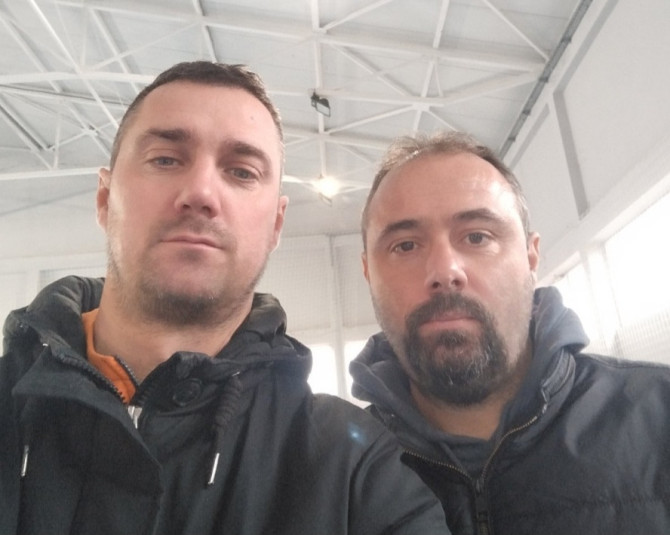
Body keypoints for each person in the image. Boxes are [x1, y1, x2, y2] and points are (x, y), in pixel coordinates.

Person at [0, 61, 449, 535]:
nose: (200, 193)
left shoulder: (356, 472)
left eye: (241, 171)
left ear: (276, 225)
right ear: (104, 199)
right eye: (166, 159)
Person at [351, 130, 670, 534]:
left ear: (531, 256)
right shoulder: (338, 472)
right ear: (368, 272)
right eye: (406, 245)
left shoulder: (660, 418)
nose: (445, 271)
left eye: (477, 236)